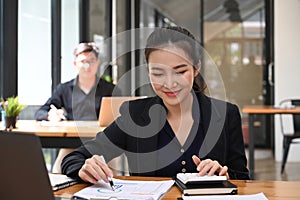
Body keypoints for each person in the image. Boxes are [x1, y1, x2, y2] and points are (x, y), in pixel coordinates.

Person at [61, 26, 249, 184]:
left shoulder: (225, 114)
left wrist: (225, 177)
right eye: (158, 74)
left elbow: (242, 179)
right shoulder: (135, 115)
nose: (169, 83)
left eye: (180, 71)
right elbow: (74, 158)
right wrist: (84, 167)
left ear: (196, 68)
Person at [35, 42, 121, 173]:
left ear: (97, 63)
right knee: (58, 169)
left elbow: (123, 115)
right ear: (75, 64)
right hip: (72, 142)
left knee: (113, 172)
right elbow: (41, 111)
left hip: (103, 142)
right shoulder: (64, 89)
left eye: (91, 61)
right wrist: (50, 115)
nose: (87, 66)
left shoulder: (110, 89)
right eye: (83, 61)